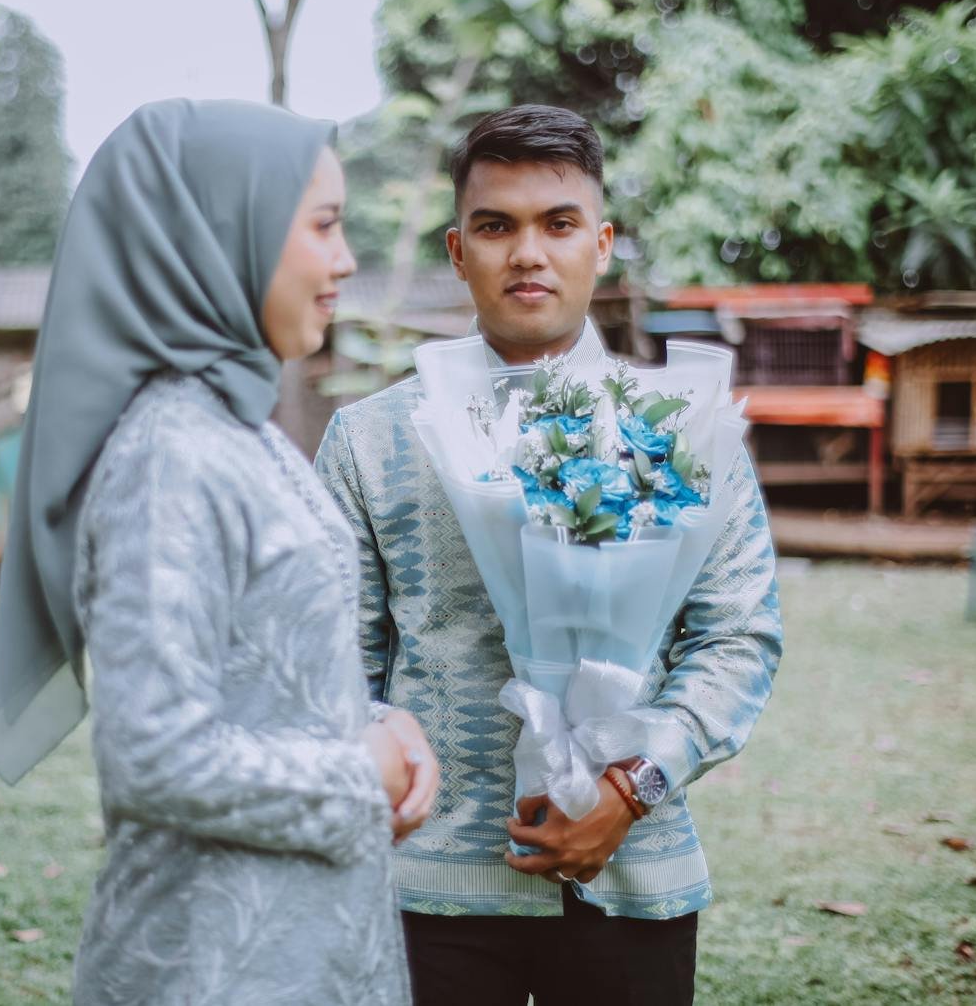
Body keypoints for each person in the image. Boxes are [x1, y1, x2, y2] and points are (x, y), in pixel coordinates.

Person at [314, 103, 783, 1005]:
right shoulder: (371, 440)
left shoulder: (681, 429)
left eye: (558, 224)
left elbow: (739, 637)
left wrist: (634, 785)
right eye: (496, 226)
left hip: (632, 874)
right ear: (458, 250)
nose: (527, 252)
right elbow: (334, 661)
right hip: (428, 888)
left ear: (601, 242)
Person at [0, 98, 438, 1005]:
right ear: (226, 234)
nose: (346, 259)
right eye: (324, 225)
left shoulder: (238, 427)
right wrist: (359, 774)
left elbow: (269, 672)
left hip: (304, 945)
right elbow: (152, 754)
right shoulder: (169, 456)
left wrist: (376, 723)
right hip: (211, 966)